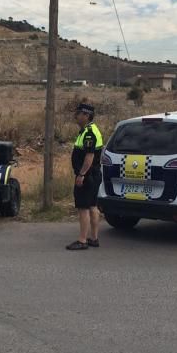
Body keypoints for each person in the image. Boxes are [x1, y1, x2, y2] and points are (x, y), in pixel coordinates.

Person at [67, 102, 104, 251]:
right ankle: (94, 239)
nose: (76, 116)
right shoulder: (89, 130)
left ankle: (82, 240)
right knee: (92, 205)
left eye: (79, 114)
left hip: (88, 176)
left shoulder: (89, 133)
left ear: (86, 115)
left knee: (83, 207)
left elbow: (89, 157)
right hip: (93, 175)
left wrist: (81, 174)